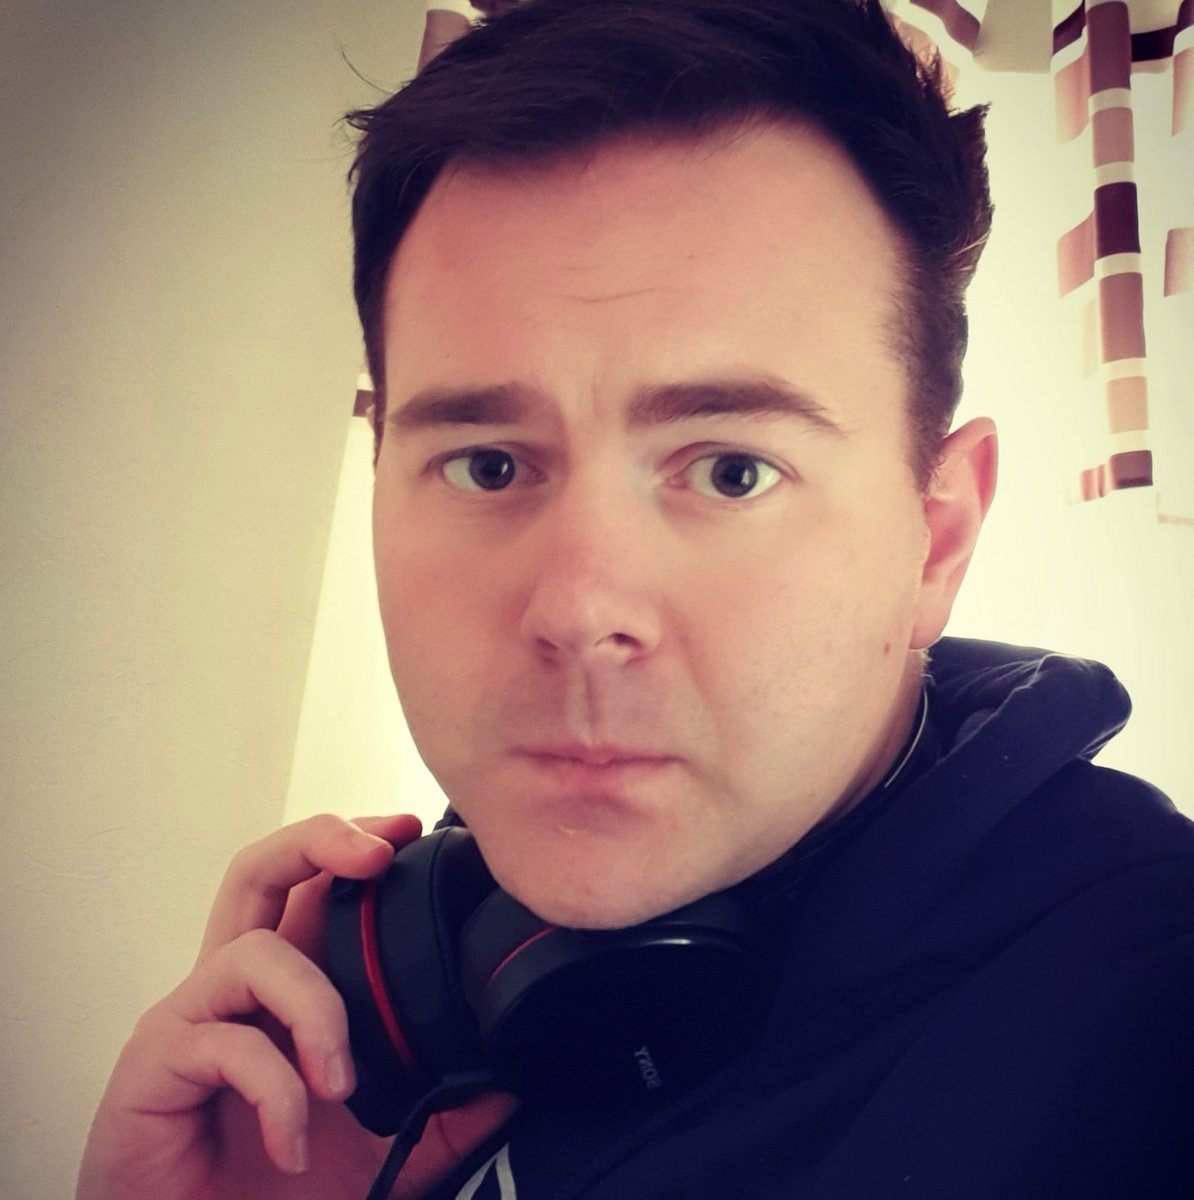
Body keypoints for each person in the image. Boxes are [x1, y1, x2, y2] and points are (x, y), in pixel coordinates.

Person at [77, 0, 1194, 1196]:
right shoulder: (428, 995)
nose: (577, 610)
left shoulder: (1145, 1025)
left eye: (731, 471)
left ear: (937, 538)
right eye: (487, 465)